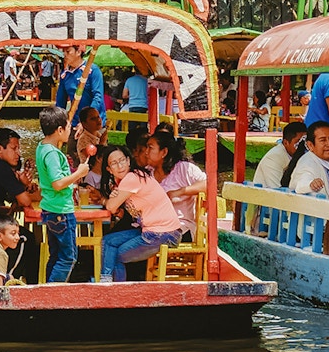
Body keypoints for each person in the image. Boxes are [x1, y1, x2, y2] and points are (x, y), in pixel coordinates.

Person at [98, 146, 182, 282]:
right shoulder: (125, 181)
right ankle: (106, 280)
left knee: (116, 256)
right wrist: (114, 196)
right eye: (114, 163)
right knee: (108, 241)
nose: (120, 166)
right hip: (151, 231)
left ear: (128, 161)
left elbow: (112, 207)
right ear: (109, 169)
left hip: (163, 233)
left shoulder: (132, 177)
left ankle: (115, 292)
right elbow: (117, 209)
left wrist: (106, 200)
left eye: (122, 160)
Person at [36, 107, 91, 283]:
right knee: (68, 257)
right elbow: (58, 184)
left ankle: (47, 291)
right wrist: (79, 173)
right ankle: (52, 292)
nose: (71, 130)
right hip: (61, 211)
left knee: (56, 256)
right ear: (59, 130)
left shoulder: (42, 147)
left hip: (51, 208)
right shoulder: (52, 153)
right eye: (68, 127)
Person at [147, 130, 208, 241]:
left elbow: (208, 184)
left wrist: (180, 192)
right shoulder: (148, 173)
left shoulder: (183, 169)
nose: (146, 152)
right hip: (153, 227)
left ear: (164, 152)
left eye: (150, 148)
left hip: (181, 229)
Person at [290, 121, 329, 199]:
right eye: (323, 140)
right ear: (310, 145)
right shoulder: (307, 163)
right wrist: (311, 184)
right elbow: (301, 184)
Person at [253, 121, 307, 188]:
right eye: (298, 142)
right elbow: (277, 191)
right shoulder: (273, 159)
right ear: (285, 143)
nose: (303, 146)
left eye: (305, 141)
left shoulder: (306, 156)